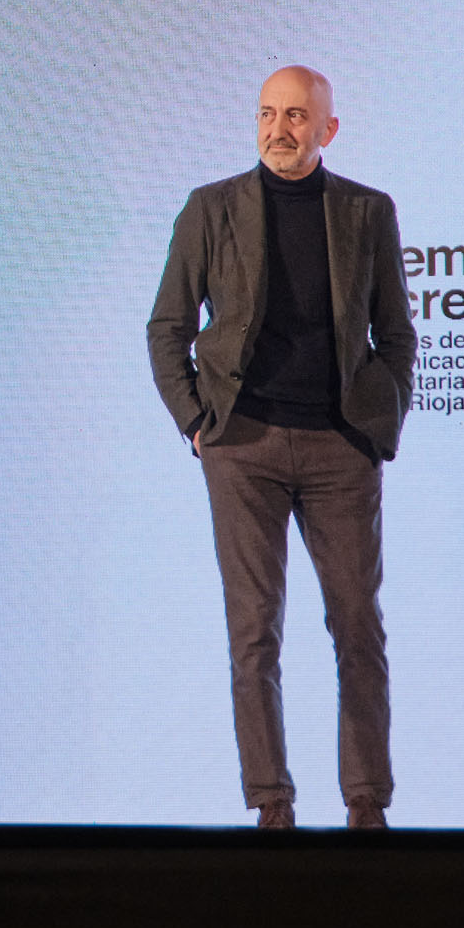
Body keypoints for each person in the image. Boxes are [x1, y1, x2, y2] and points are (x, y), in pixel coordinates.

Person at [147, 66, 416, 830]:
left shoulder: (366, 210)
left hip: (340, 447)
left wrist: (378, 424)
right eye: (268, 113)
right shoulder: (211, 207)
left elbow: (396, 333)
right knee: (253, 629)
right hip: (244, 445)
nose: (279, 129)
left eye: (296, 116)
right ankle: (271, 801)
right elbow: (167, 326)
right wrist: (195, 422)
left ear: (328, 129)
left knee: (357, 624)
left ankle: (366, 801)